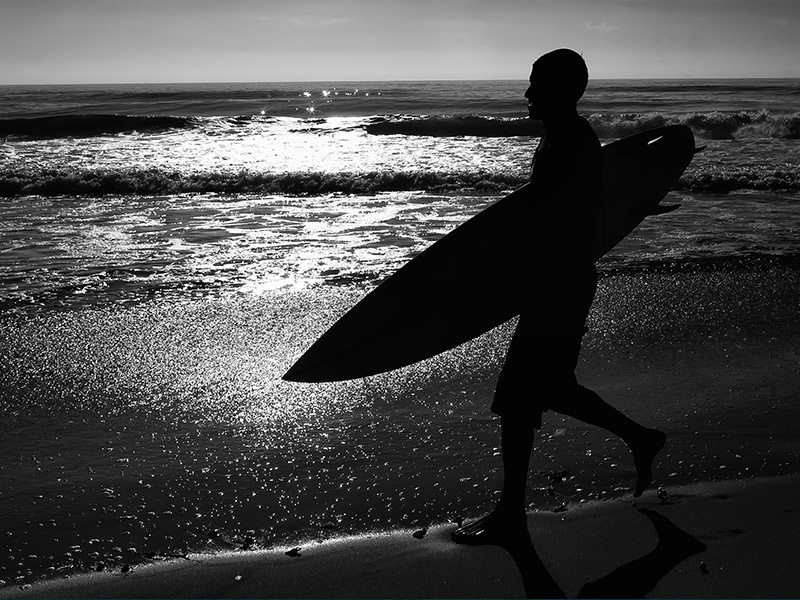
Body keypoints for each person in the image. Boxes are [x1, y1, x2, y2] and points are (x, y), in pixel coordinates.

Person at [452, 49, 666, 545]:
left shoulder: (571, 140)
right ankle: (641, 439)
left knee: (518, 399)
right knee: (548, 389)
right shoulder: (562, 136)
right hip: (556, 281)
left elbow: (567, 219)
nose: (527, 93)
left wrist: (510, 269)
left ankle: (511, 516)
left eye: (536, 84)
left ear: (561, 91)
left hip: (560, 284)